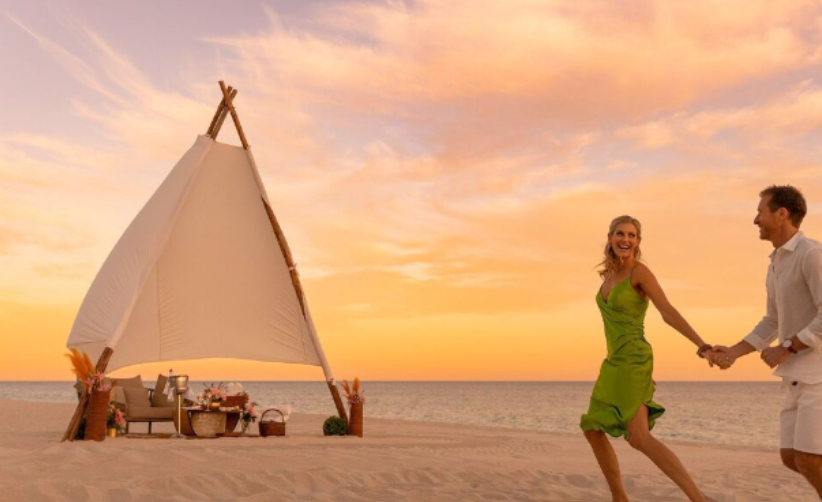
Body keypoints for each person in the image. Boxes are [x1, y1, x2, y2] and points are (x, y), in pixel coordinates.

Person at [580, 215, 717, 502]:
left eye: (631, 235)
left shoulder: (639, 273)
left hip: (633, 359)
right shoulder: (609, 275)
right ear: (610, 237)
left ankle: (698, 498)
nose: (625, 240)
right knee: (593, 428)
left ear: (638, 242)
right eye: (620, 234)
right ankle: (620, 497)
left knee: (639, 438)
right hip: (613, 362)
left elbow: (667, 311)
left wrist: (702, 345)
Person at [710, 185, 822, 499]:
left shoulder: (811, 254)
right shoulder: (775, 264)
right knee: (790, 457)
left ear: (782, 213)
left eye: (760, 211)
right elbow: (772, 320)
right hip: (794, 376)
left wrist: (787, 349)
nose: (755, 220)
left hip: (818, 375)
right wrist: (733, 352)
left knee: (809, 458)